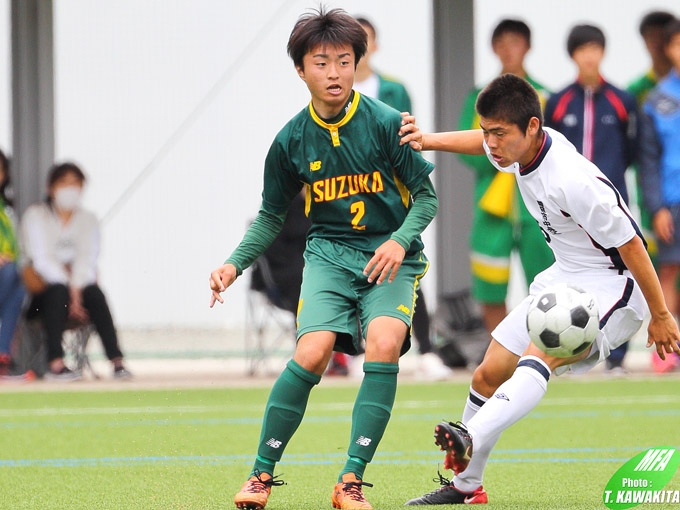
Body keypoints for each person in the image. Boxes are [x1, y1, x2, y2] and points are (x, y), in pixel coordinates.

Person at [398, 73, 680, 505]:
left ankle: (468, 434)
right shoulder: (520, 147)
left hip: (612, 286)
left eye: (499, 133)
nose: (490, 143)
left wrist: (660, 315)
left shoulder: (574, 181)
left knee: (541, 353)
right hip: (565, 275)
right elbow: (479, 141)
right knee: (488, 372)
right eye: (487, 130)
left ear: (532, 127)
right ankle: (466, 487)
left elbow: (633, 245)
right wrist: (429, 140)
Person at [208, 8, 437, 510]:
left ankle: (350, 480)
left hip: (389, 258)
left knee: (384, 343)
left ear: (358, 62)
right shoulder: (291, 140)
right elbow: (270, 216)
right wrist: (233, 264)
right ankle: (260, 476)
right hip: (330, 255)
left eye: (343, 60)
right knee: (311, 353)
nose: (333, 73)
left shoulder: (384, 124)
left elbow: (426, 197)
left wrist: (399, 240)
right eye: (320, 62)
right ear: (300, 70)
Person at [326, 14, 449, 381]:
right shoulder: (330, 90)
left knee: (404, 265)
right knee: (350, 270)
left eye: (365, 40)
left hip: (390, 196)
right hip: (347, 198)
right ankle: (358, 352)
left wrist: (414, 184)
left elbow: (412, 138)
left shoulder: (393, 90)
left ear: (373, 46)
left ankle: (426, 350)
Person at [544, 24, 639, 373]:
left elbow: (631, 151)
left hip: (611, 203)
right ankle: (567, 351)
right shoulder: (559, 101)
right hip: (567, 209)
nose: (589, 55)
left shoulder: (622, 100)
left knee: (622, 271)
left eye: (595, 48)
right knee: (572, 271)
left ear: (603, 52)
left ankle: (617, 358)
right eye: (582, 49)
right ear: (573, 55)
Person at [458, 19, 554, 339]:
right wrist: (500, 157)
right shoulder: (478, 96)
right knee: (489, 288)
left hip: (536, 209)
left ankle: (542, 350)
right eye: (502, 43)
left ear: (527, 47)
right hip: (490, 208)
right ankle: (504, 352)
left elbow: (552, 150)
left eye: (516, 42)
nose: (508, 50)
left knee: (546, 285)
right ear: (493, 48)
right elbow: (466, 147)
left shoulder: (544, 96)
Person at [19, 162, 131, 381]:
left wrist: (76, 294)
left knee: (95, 294)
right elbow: (42, 260)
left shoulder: (87, 219)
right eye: (64, 183)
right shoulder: (36, 216)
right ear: (50, 188)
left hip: (78, 294)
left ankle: (116, 361)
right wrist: (71, 292)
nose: (70, 188)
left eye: (75, 183)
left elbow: (87, 260)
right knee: (58, 291)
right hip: (43, 297)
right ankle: (56, 363)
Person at [627, 10, 678, 373]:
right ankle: (668, 351)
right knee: (669, 271)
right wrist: (656, 206)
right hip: (671, 201)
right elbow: (647, 159)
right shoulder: (655, 99)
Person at [0, 149, 27, 378]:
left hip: (7, 275)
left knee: (19, 284)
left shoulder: (6, 209)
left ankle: (3, 354)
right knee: (11, 275)